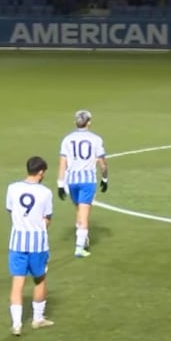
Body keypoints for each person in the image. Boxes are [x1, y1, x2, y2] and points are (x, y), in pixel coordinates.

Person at [6, 156, 55, 336]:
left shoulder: (12, 188)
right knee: (40, 279)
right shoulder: (45, 193)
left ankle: (17, 324)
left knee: (17, 282)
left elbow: (11, 210)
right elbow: (47, 218)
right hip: (38, 243)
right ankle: (38, 319)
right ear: (41, 172)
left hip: (17, 241)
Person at [56, 110, 109, 258]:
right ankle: (80, 247)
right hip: (87, 181)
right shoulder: (96, 139)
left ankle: (82, 237)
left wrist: (60, 184)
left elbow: (62, 163)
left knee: (79, 211)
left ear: (75, 122)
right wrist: (105, 179)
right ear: (89, 122)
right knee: (84, 214)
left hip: (71, 180)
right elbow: (103, 164)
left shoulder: (67, 139)